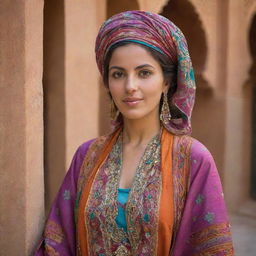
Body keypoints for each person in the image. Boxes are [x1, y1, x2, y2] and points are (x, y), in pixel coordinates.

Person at [35, 10, 234, 256]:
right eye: (118, 74)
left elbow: (210, 249)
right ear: (107, 82)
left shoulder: (193, 159)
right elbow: (58, 242)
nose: (130, 86)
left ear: (166, 82)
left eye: (144, 73)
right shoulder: (87, 156)